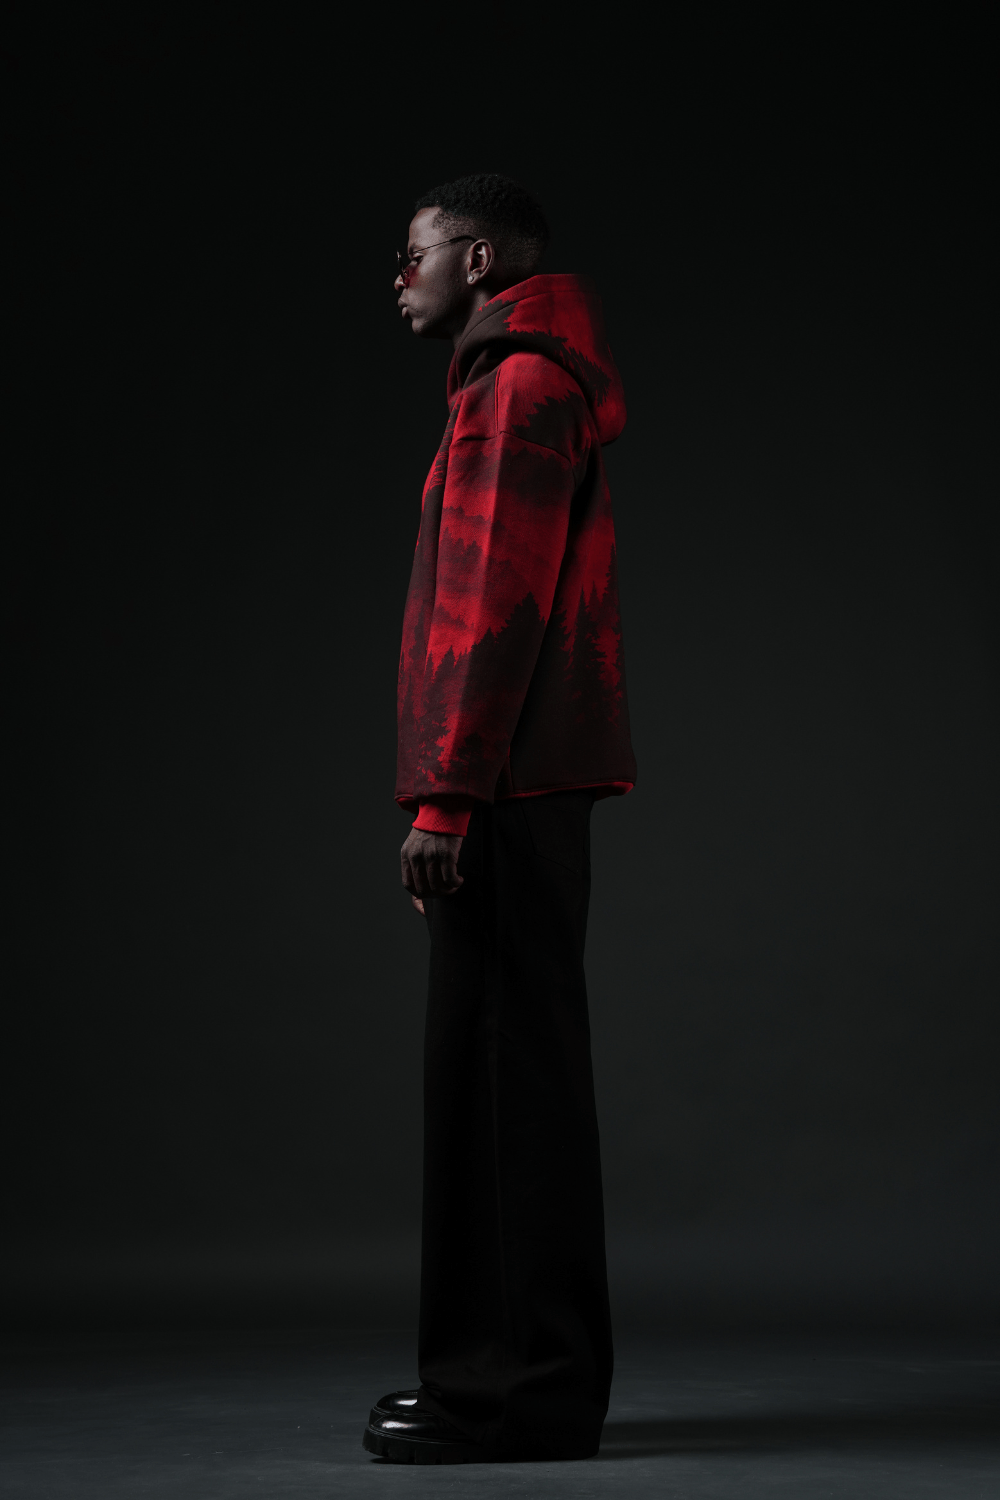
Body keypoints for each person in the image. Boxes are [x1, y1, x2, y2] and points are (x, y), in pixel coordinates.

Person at [362, 173, 637, 1466]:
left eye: (413, 253)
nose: (398, 276)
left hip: (502, 791)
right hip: (518, 786)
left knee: (500, 1084)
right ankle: (521, 1380)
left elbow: (492, 602)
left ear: (477, 262)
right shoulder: (517, 380)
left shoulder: (518, 388)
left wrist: (446, 797)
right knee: (506, 1079)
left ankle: (514, 1395)